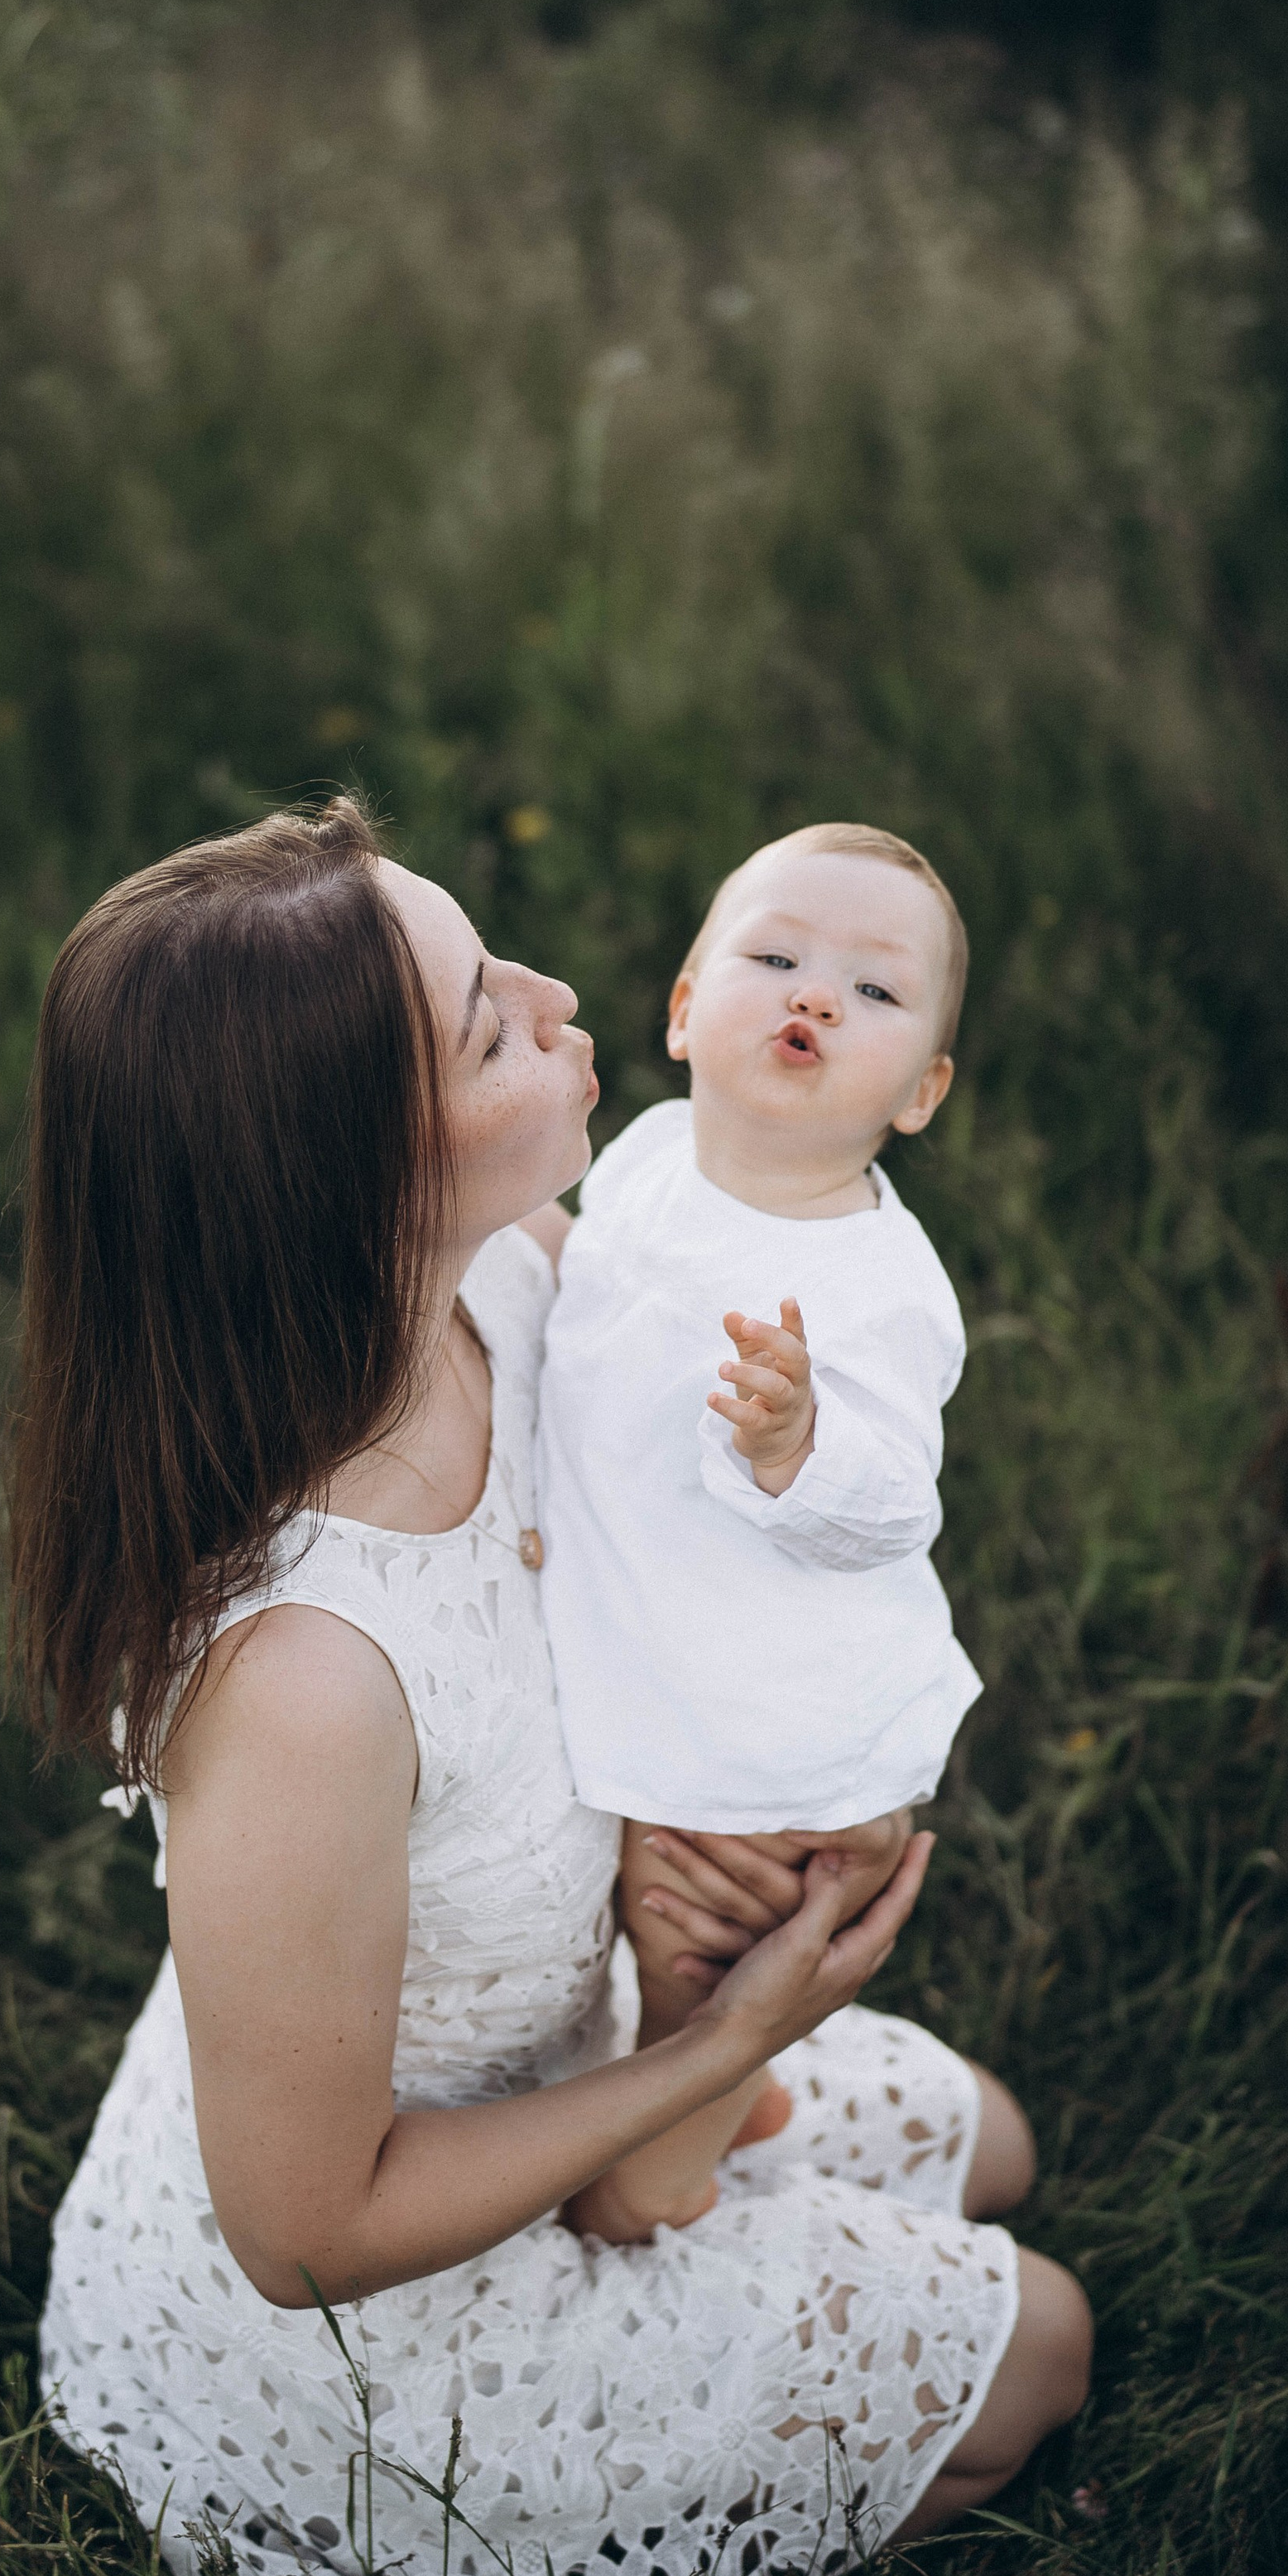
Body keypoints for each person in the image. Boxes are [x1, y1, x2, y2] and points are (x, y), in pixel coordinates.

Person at [17, 799, 1089, 2576]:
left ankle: (665, 2169)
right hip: (374, 2310)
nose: (562, 992)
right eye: (488, 1022)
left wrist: (725, 1834)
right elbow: (305, 2235)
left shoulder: (510, 1273)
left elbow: (702, 1548)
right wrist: (722, 2037)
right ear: (355, 1168)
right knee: (1046, 2350)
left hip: (573, 2021)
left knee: (987, 2139)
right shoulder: (296, 1680)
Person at [539, 824, 982, 2242]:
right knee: (642, 1932)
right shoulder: (651, 1156)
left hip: (777, 1728)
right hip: (664, 1649)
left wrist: (802, 1448)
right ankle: (743, 2106)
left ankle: (663, 2183)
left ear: (918, 1094)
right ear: (681, 1009)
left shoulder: (873, 1281)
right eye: (777, 958)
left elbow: (896, 1503)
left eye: (873, 991)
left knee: (696, 1954)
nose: (815, 998)